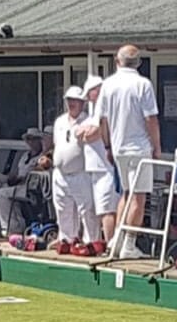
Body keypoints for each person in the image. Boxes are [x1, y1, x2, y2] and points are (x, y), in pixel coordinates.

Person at [89, 45, 161, 258]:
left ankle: (115, 242)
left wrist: (108, 146)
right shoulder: (143, 84)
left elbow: (102, 120)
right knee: (138, 197)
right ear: (138, 63)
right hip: (139, 148)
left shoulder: (108, 85)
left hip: (119, 147)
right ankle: (128, 244)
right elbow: (151, 119)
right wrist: (157, 146)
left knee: (127, 194)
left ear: (117, 61)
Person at [51, 86, 98, 249]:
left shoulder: (89, 121)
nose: (72, 103)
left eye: (75, 101)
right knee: (62, 208)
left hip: (80, 173)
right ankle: (66, 240)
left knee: (86, 209)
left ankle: (90, 242)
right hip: (60, 173)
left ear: (83, 103)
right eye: (69, 100)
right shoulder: (59, 122)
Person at [80, 76, 116, 252]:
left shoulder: (106, 110)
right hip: (96, 169)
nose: (89, 98)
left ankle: (111, 247)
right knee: (101, 209)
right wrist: (88, 132)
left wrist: (89, 132)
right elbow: (80, 132)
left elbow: (93, 132)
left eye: (90, 93)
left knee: (107, 210)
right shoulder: (95, 112)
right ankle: (109, 244)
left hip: (106, 169)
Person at [0, 128, 46, 233]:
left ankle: (11, 228)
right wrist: (13, 178)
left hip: (28, 187)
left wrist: (20, 179)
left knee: (2, 194)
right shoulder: (25, 155)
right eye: (28, 139)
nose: (31, 142)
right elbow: (18, 171)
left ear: (39, 140)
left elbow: (35, 176)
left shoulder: (42, 157)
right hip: (18, 181)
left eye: (33, 139)